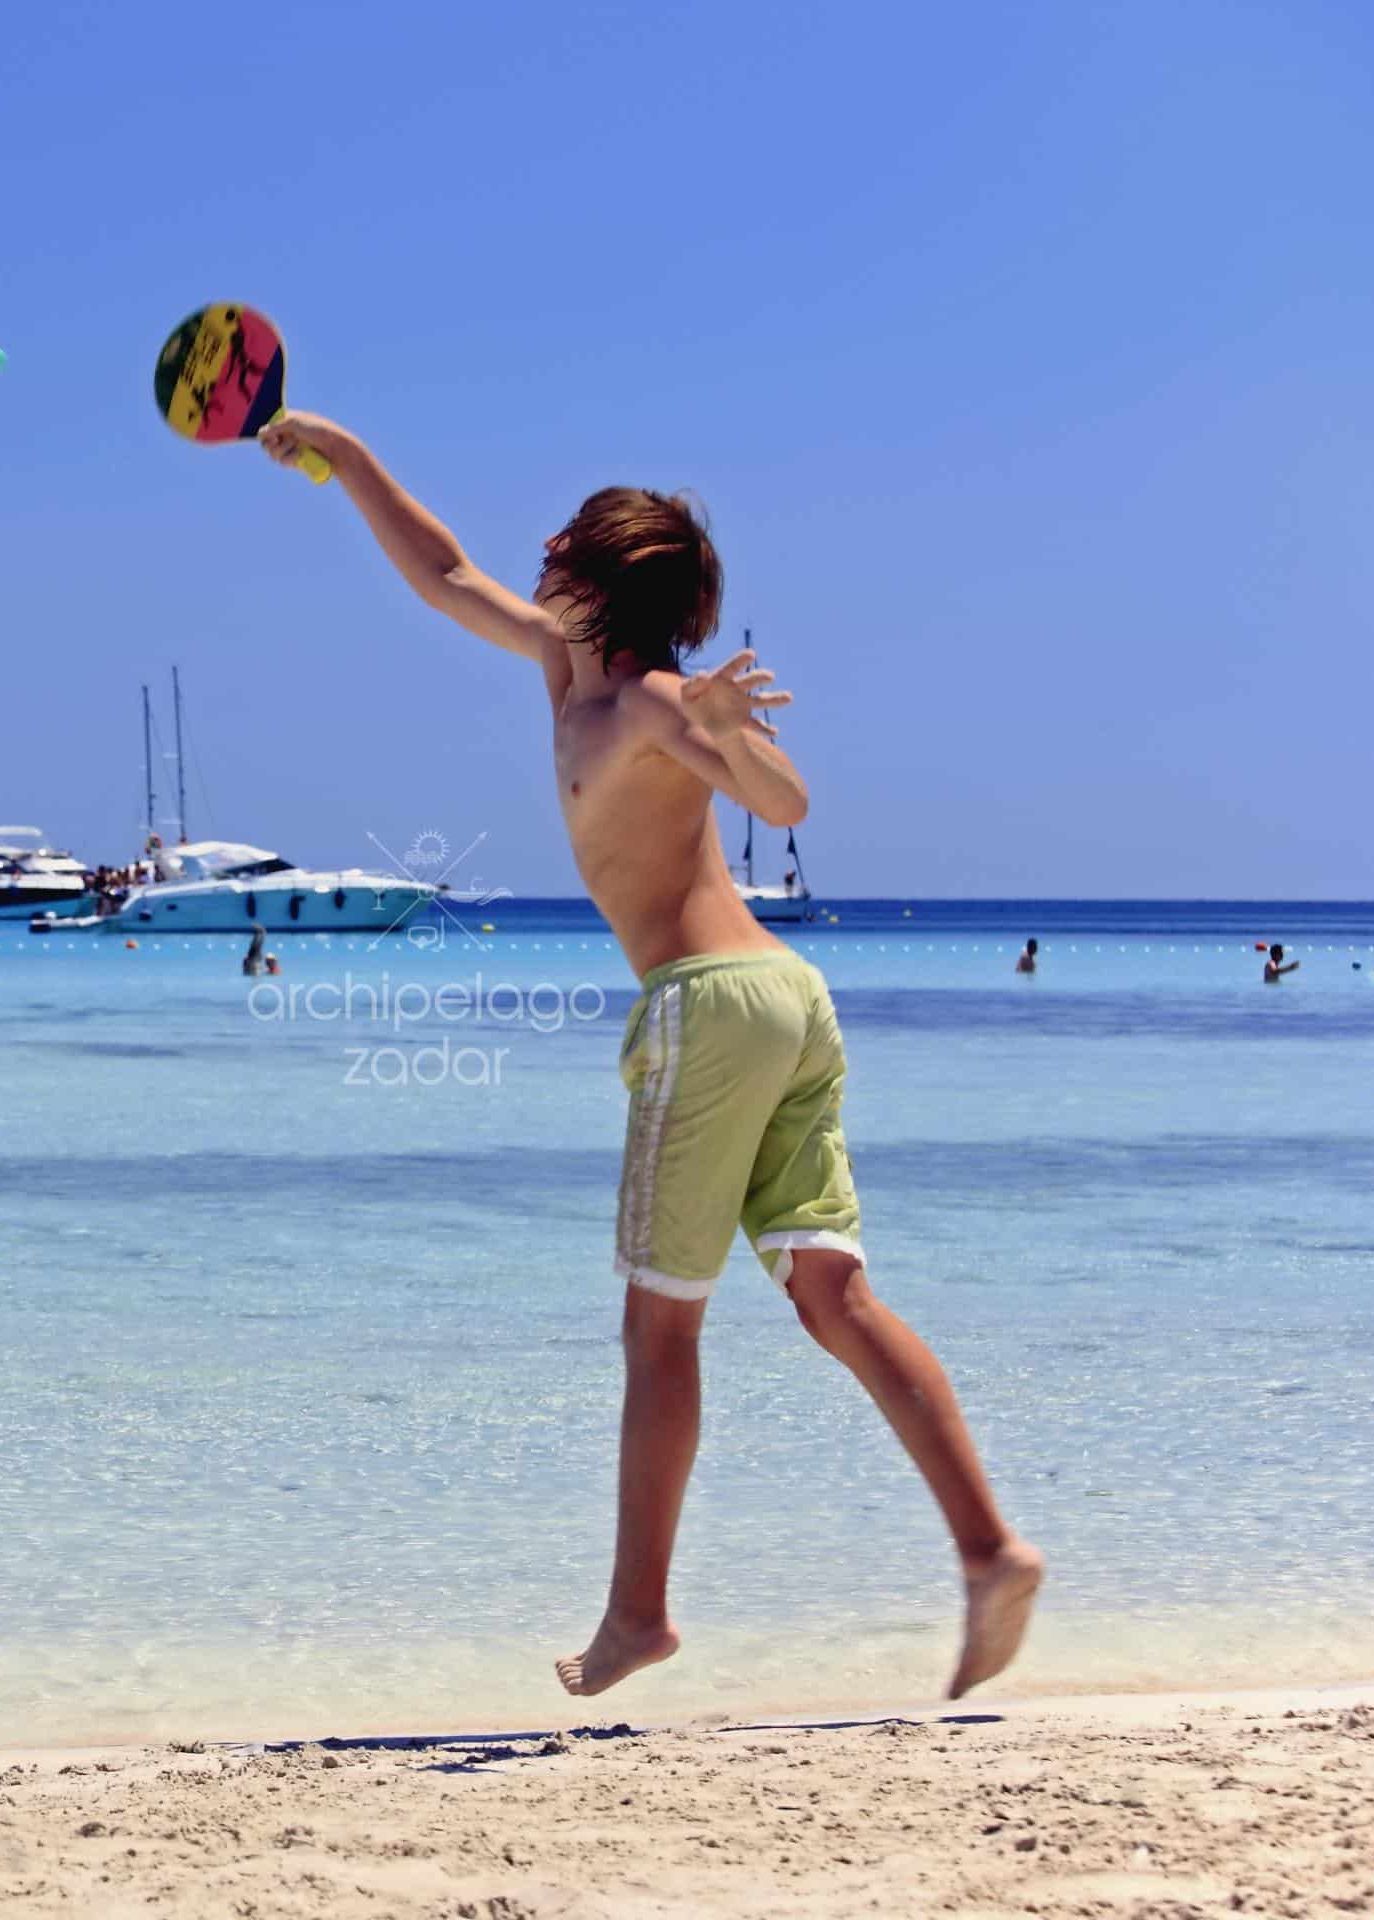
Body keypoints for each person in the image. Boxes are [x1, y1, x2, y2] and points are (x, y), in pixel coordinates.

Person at [260, 411, 1043, 1702]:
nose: (541, 546)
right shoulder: (568, 671)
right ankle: (991, 1549)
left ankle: (639, 1615)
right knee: (832, 1301)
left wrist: (725, 731)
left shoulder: (649, 697)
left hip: (711, 1006)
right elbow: (444, 573)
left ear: (599, 574)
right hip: (788, 1002)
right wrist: (341, 453)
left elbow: (786, 807)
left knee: (657, 1327)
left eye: (564, 538)